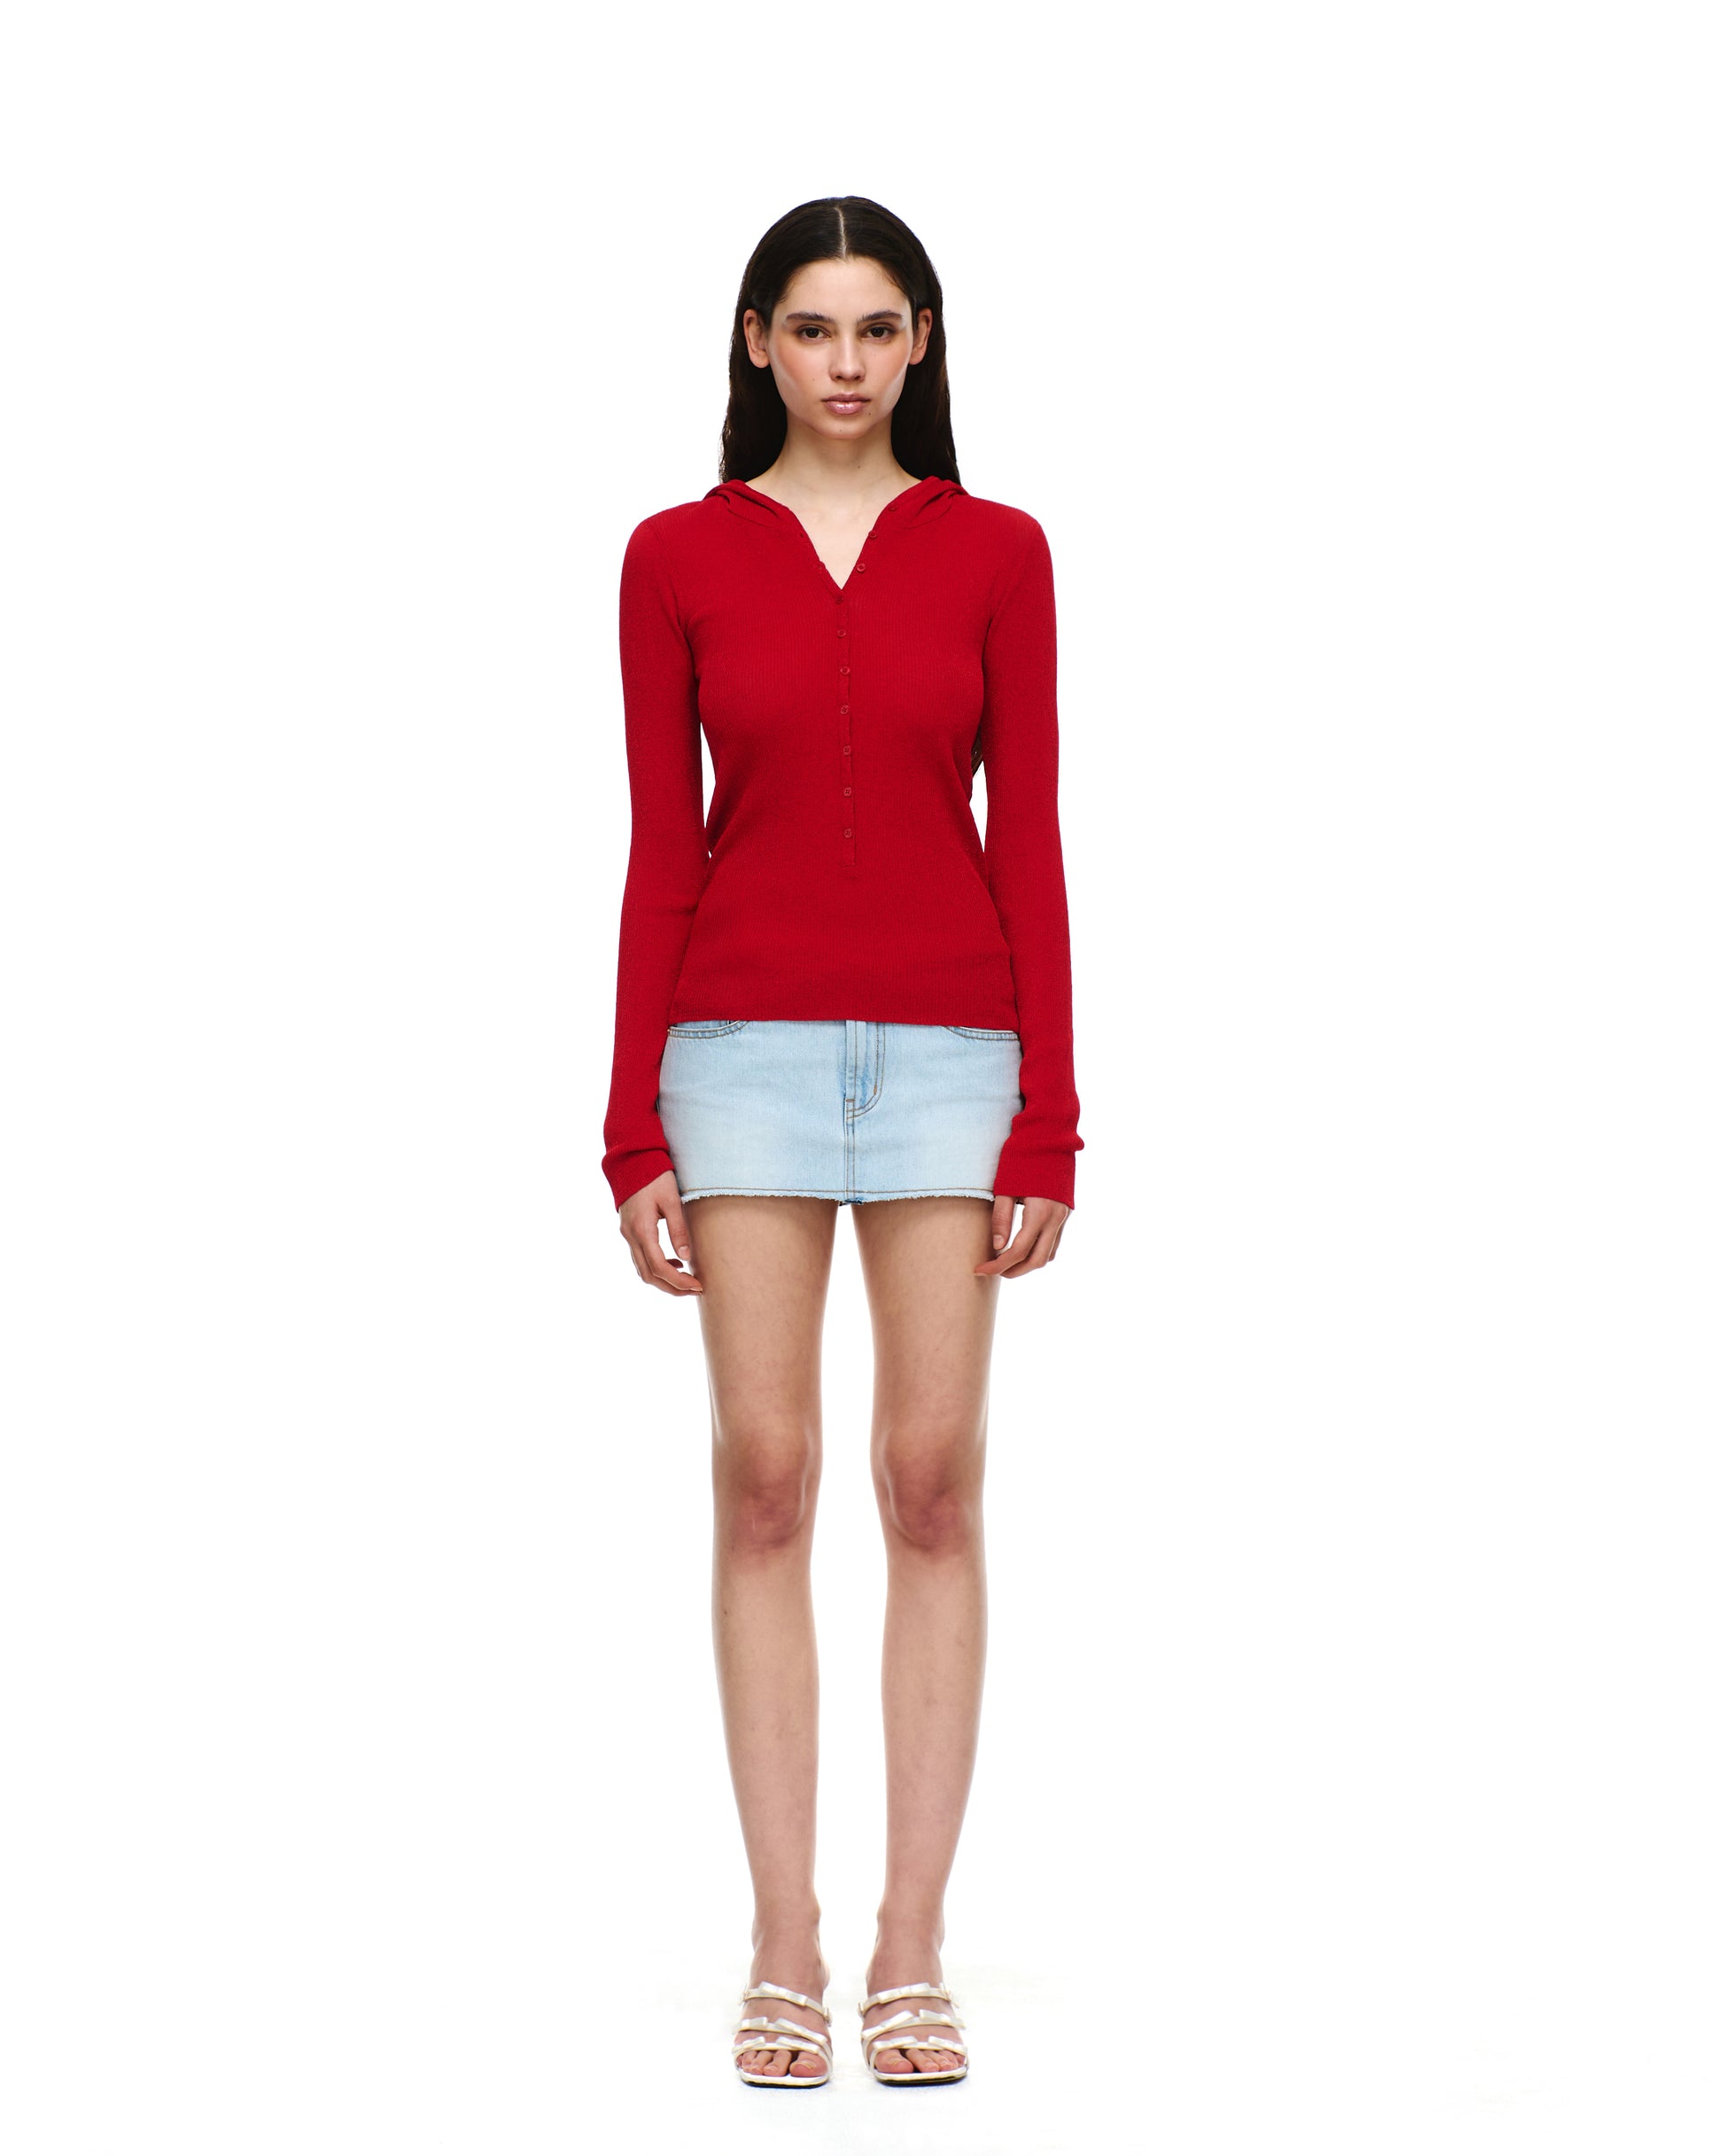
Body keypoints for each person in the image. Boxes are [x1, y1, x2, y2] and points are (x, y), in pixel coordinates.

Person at [599, 195, 1083, 2090]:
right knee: (767, 1475)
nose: (847, 362)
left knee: (932, 1475)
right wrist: (629, 1116)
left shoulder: (997, 552)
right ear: (757, 343)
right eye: (812, 328)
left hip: (957, 1049)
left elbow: (1028, 832)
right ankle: (784, 1934)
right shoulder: (675, 557)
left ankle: (910, 1938)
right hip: (736, 1050)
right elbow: (663, 844)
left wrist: (1049, 1112)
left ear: (923, 342)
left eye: (879, 327)